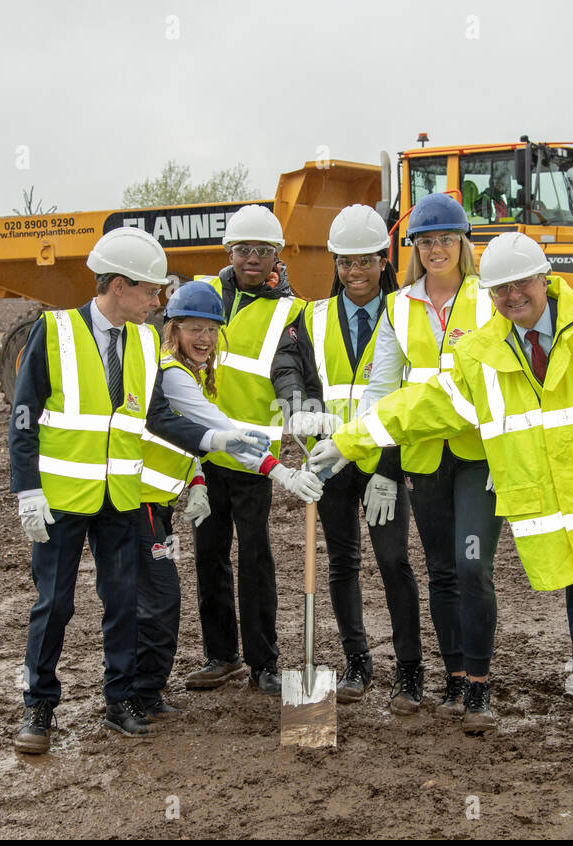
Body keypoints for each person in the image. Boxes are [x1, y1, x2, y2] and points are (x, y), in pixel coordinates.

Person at [312, 232, 573, 734]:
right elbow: (422, 406)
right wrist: (350, 439)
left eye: (521, 285)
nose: (512, 298)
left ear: (545, 279)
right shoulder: (483, 355)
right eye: (500, 290)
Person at [8, 228, 273, 753]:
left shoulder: (147, 341)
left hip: (122, 499)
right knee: (54, 605)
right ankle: (38, 707)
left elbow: (156, 417)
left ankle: (121, 700)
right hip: (61, 498)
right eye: (151, 291)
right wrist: (27, 489)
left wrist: (210, 440)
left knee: (124, 602)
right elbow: (23, 416)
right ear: (120, 286)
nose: (157, 302)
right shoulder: (54, 331)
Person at [135, 281, 322, 721]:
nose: (204, 339)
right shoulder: (174, 371)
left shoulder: (280, 314)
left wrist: (195, 475)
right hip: (142, 499)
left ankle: (260, 662)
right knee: (159, 588)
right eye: (194, 330)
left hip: (171, 493)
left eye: (211, 330)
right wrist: (282, 472)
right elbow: (212, 426)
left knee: (247, 560)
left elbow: (186, 433)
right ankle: (144, 691)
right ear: (174, 329)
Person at [357, 192, 500, 730]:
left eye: (445, 238)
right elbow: (382, 388)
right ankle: (456, 678)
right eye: (425, 240)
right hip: (423, 457)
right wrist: (359, 447)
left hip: (478, 454)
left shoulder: (489, 299)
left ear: (463, 242)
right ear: (413, 247)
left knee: (471, 566)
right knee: (441, 571)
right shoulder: (399, 307)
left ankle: (481, 688)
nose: (435, 248)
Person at [270, 205, 421, 710]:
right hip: (330, 461)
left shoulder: (405, 313)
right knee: (341, 562)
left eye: (364, 262)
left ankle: (409, 670)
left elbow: (411, 392)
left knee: (394, 560)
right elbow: (287, 364)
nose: (353, 272)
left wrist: (390, 469)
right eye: (344, 262)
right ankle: (357, 661)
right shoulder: (310, 316)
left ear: (383, 260)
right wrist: (297, 408)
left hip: (383, 459)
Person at [184, 204, 320, 697]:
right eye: (243, 250)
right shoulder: (201, 295)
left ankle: (265, 660)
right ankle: (221, 655)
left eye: (262, 251)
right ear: (230, 252)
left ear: (276, 256)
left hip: (253, 456)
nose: (252, 259)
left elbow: (295, 371)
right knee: (209, 555)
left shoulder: (292, 311)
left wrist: (303, 411)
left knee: (255, 557)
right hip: (201, 450)